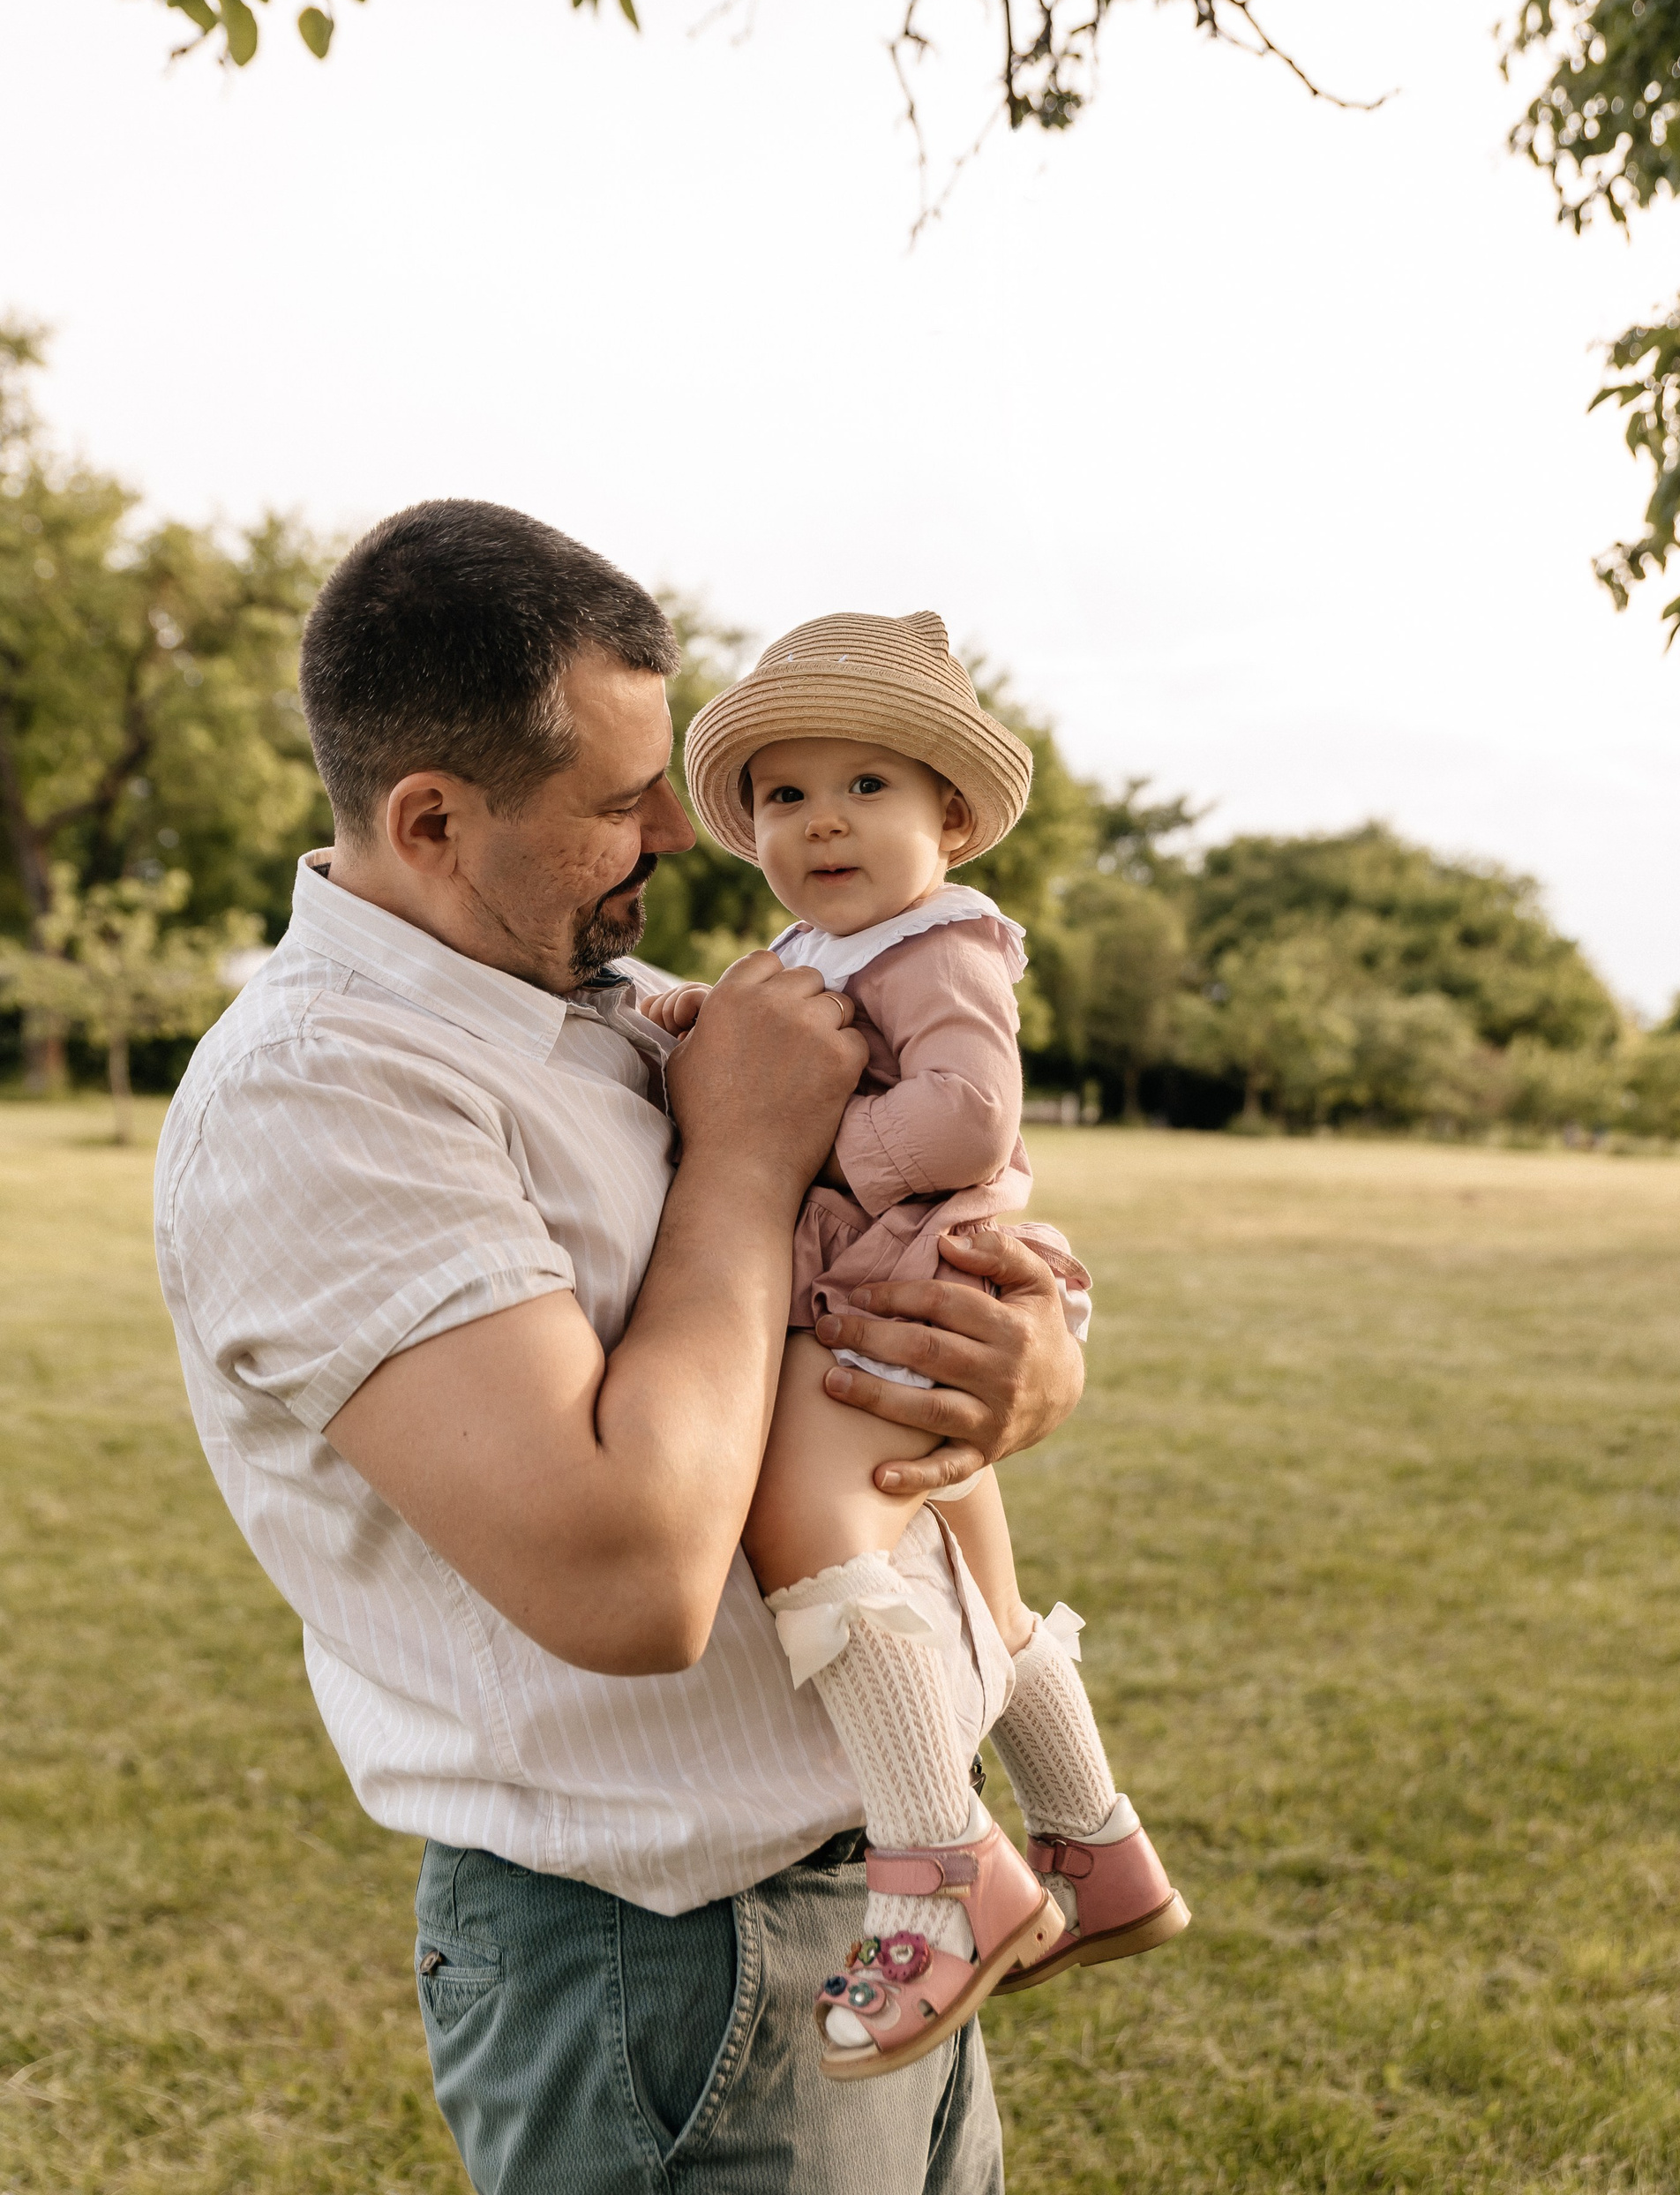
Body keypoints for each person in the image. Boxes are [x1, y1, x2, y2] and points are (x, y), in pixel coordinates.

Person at [153, 500, 1087, 2195]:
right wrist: (742, 1159)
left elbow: (884, 1231)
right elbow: (632, 1581)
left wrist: (1023, 1358)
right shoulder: (323, 1095)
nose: (678, 828)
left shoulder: (597, 991)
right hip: (668, 1975)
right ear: (433, 820)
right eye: (619, 799)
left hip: (882, 1892)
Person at [640, 611, 1186, 2081]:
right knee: (978, 1582)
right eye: (786, 793)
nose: (822, 819)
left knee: (810, 1531)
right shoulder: (822, 945)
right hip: (891, 1276)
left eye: (866, 786)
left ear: (952, 818)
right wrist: (700, 1022)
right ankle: (1097, 1848)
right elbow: (771, 1025)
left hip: (905, 1279)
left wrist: (803, 1138)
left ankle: (944, 1870)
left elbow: (970, 1118)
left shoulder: (944, 946)